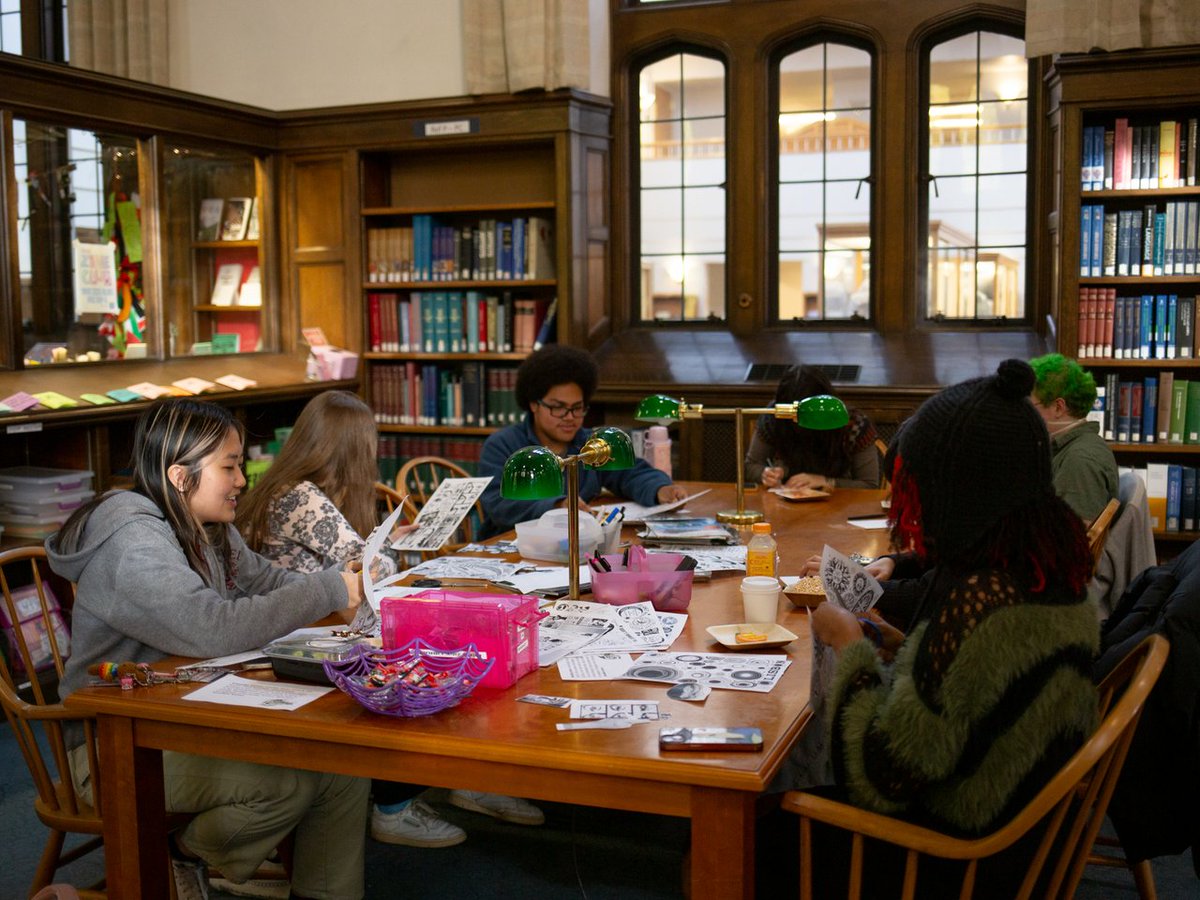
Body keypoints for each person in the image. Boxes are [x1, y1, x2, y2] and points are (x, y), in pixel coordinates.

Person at [45, 398, 369, 900]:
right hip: (111, 744)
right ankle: (186, 852)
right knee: (287, 784)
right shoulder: (134, 544)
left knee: (343, 770)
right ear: (180, 476)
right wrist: (326, 590)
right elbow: (212, 629)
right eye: (230, 466)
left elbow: (268, 580)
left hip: (186, 713)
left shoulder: (208, 527)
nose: (243, 479)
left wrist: (336, 591)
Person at [802, 360, 1101, 896]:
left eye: (920, 497)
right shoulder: (1047, 568)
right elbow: (968, 702)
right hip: (1019, 835)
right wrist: (910, 646)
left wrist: (849, 646)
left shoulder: (981, 608)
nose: (915, 515)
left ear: (961, 495)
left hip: (951, 861)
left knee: (759, 819)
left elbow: (879, 779)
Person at [236, 390, 544, 849]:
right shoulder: (299, 497)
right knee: (432, 654)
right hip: (301, 638)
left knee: (445, 643)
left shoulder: (299, 489)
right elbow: (371, 570)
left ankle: (460, 772)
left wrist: (390, 545)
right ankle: (397, 802)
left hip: (319, 622)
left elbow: (360, 565)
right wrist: (387, 554)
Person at [478, 345, 688, 537]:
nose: (570, 417)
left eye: (577, 408)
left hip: (576, 544)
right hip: (513, 547)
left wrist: (660, 489)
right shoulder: (502, 445)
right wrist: (557, 505)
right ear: (534, 404)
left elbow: (631, 473)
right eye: (558, 407)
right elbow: (498, 503)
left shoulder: (592, 444)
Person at [744, 364, 880, 491]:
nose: (798, 422)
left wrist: (827, 482)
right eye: (793, 415)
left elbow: (870, 484)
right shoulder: (775, 416)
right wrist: (765, 474)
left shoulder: (853, 423)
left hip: (839, 507)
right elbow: (750, 466)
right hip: (785, 502)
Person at [1028, 352, 1118, 523]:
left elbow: (1069, 542)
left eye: (1030, 406)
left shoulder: (1080, 461)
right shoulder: (1071, 447)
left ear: (1058, 408)